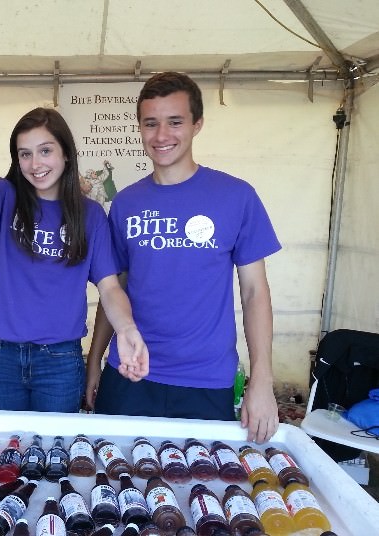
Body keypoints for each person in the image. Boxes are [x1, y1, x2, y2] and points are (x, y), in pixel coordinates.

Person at [86, 72, 281, 443]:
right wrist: (94, 361)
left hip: (205, 381)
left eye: (175, 122)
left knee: (198, 489)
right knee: (116, 487)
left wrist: (262, 382)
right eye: (151, 123)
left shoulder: (236, 196)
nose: (162, 136)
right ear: (140, 128)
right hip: (128, 375)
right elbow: (114, 290)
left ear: (197, 124)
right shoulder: (126, 203)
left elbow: (255, 293)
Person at [0, 107, 148, 413]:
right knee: (8, 450)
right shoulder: (6, 197)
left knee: (52, 454)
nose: (35, 164)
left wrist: (128, 329)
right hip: (2, 357)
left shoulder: (90, 215)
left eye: (45, 151)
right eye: (25, 154)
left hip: (60, 361)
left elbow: (110, 288)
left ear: (66, 154)